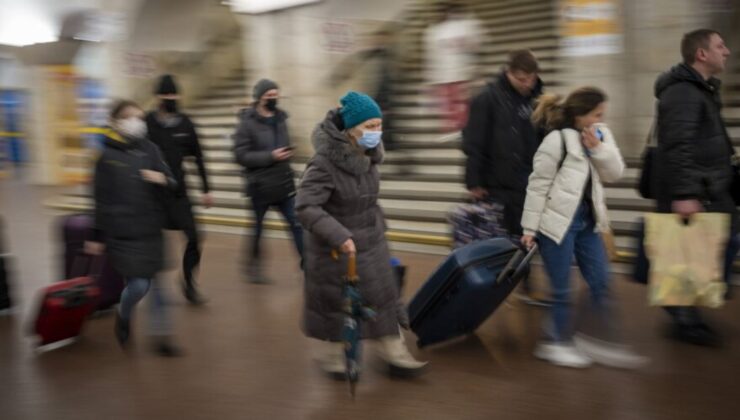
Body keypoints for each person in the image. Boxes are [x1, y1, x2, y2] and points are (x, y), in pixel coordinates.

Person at [295, 91, 426, 377]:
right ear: (350, 130)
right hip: (338, 248)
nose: (376, 132)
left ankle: (394, 352)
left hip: (372, 240)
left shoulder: (369, 159)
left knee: (383, 296)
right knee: (338, 305)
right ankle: (331, 356)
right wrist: (339, 235)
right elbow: (305, 206)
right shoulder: (323, 164)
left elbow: (368, 199)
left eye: (379, 125)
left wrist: (380, 227)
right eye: (369, 126)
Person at [521, 87, 646, 369]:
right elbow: (537, 186)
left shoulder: (600, 134)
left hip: (589, 222)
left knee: (601, 280)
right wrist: (529, 228)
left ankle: (600, 340)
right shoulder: (556, 140)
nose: (601, 119)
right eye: (597, 114)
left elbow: (615, 173)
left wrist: (598, 149)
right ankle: (554, 343)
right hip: (556, 224)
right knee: (562, 288)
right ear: (580, 115)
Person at [653, 29, 736, 346]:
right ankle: (684, 320)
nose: (726, 51)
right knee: (688, 253)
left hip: (710, 185)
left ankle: (685, 314)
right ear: (702, 54)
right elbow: (678, 146)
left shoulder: (700, 89)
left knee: (699, 251)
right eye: (720, 45)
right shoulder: (684, 93)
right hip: (696, 188)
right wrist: (685, 194)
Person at [86, 100, 182, 357]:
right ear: (116, 122)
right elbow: (99, 197)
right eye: (130, 117)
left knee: (160, 287)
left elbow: (173, 182)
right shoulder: (106, 157)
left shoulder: (150, 149)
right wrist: (97, 234)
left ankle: (162, 340)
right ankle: (124, 313)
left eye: (140, 117)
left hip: (151, 227)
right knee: (139, 286)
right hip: (123, 231)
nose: (137, 122)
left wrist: (162, 179)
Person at [463, 49, 543, 238]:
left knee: (524, 247)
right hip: (497, 187)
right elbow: (474, 142)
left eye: (531, 79)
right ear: (509, 73)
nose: (528, 84)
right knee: (501, 247)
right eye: (522, 79)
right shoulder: (487, 99)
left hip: (529, 186)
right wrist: (474, 182)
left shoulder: (538, 100)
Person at [145, 74, 211, 305]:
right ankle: (148, 287)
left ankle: (188, 283)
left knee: (194, 237)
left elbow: (198, 156)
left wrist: (206, 188)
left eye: (175, 94)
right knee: (151, 246)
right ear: (158, 97)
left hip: (178, 192)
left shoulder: (185, 122)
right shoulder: (147, 123)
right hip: (152, 195)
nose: (171, 98)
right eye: (167, 94)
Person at [233, 79, 304, 283]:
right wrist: (271, 156)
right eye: (269, 95)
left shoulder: (281, 118)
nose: (273, 98)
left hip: (283, 182)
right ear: (259, 97)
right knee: (258, 228)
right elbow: (240, 155)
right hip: (260, 186)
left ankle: (307, 264)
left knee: (297, 223)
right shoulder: (246, 123)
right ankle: (253, 267)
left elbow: (285, 144)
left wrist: (287, 153)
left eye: (276, 94)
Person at [424, 1, 482, 131]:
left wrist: (472, 69)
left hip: (458, 73)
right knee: (452, 102)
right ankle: (458, 125)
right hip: (448, 74)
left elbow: (472, 47)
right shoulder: (435, 31)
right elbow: (432, 56)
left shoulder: (462, 27)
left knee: (460, 101)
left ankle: (462, 125)